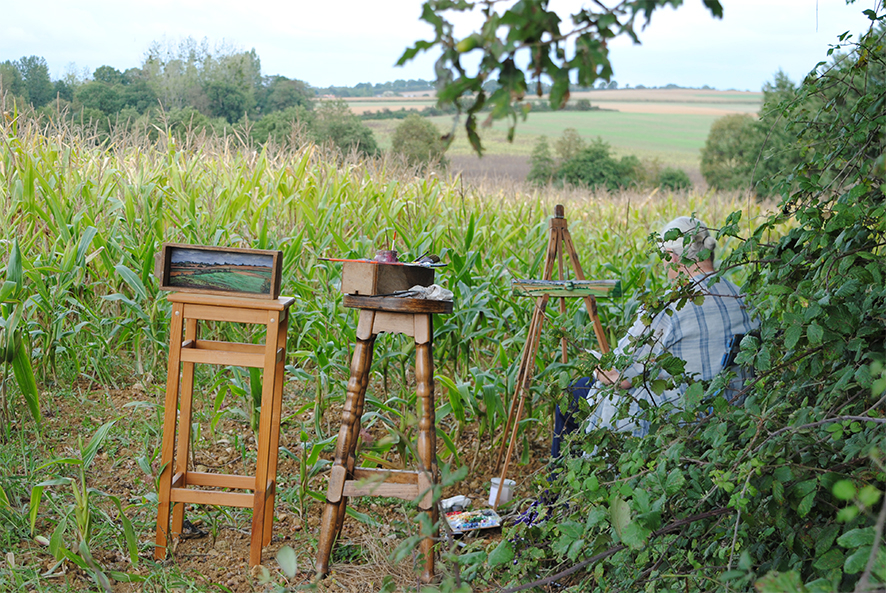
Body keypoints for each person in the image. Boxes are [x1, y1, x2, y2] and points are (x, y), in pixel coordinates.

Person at [551, 216, 758, 457]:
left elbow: (622, 376)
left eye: (665, 258)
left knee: (572, 393)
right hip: (731, 412)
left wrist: (596, 368)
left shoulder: (670, 304)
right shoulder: (744, 298)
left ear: (674, 257)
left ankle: (564, 479)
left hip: (680, 418)